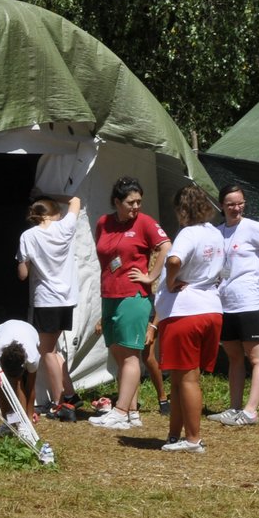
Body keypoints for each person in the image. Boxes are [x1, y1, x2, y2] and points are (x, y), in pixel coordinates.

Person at [88, 177, 170, 430]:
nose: (136, 207)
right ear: (117, 202)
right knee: (118, 353)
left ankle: (121, 411)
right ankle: (131, 412)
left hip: (133, 295)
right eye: (130, 202)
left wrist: (151, 275)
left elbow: (166, 246)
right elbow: (105, 255)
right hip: (109, 294)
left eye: (139, 202)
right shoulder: (104, 222)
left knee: (131, 353)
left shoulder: (144, 222)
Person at [208, 185, 259, 428]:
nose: (236, 208)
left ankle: (251, 411)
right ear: (221, 206)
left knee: (256, 357)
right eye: (231, 204)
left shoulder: (252, 227)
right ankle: (234, 408)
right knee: (234, 357)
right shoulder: (217, 232)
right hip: (224, 303)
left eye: (240, 203)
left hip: (247, 302)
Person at [155, 185, 225, 453]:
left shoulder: (189, 233)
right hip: (211, 309)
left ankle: (193, 439)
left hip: (185, 312)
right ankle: (175, 434)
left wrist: (171, 282)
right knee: (183, 377)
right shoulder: (215, 234)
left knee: (187, 379)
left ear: (181, 209)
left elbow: (173, 260)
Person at [17, 193, 84, 420]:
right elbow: (75, 200)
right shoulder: (65, 227)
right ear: (54, 213)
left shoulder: (28, 236)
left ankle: (59, 403)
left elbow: (23, 275)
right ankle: (71, 395)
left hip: (46, 299)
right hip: (66, 299)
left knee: (46, 351)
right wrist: (51, 193)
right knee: (54, 350)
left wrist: (22, 262)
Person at [0, 317, 40, 434]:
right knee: (0, 382)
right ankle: (9, 423)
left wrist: (29, 421)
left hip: (29, 331)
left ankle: (24, 425)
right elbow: (1, 384)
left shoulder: (32, 357)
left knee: (18, 382)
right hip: (4, 328)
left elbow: (31, 388)